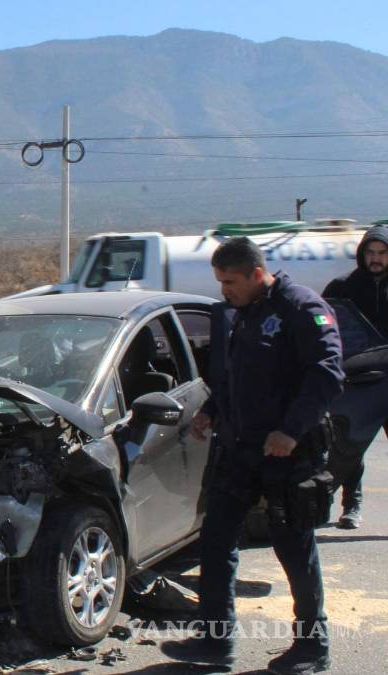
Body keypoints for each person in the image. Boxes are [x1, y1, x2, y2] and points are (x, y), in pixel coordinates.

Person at [160, 237, 343, 675]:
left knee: (294, 548)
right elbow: (237, 377)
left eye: (230, 282)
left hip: (286, 452)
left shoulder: (301, 308)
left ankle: (312, 647)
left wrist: (291, 430)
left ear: (257, 274)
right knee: (217, 540)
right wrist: (211, 411)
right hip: (239, 448)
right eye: (220, 282)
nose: (224, 291)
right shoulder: (242, 313)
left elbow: (327, 373)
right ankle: (215, 641)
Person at [322, 224, 388, 529]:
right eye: (371, 252)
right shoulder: (342, 287)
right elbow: (325, 328)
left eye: (382, 253)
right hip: (358, 380)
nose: (376, 259)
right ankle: (352, 504)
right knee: (350, 444)